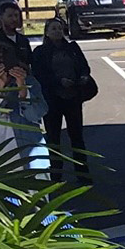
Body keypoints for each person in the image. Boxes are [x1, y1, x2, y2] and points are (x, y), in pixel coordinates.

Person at [33, 18, 96, 181]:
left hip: (73, 97)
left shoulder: (72, 48)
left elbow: (84, 66)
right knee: (54, 138)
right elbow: (39, 75)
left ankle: (82, 173)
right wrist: (58, 81)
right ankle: (56, 176)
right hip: (52, 99)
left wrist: (83, 76)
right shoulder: (40, 52)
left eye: (60, 28)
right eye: (53, 29)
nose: (57, 31)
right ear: (46, 32)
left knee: (77, 137)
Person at [0, 39, 48, 163]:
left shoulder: (30, 82)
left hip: (29, 153)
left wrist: (22, 88)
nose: (2, 64)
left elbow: (38, 113)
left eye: (5, 59)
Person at [0, 1, 32, 65]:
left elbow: (30, 61)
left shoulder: (23, 40)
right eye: (10, 16)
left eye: (16, 15)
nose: (14, 19)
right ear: (1, 17)